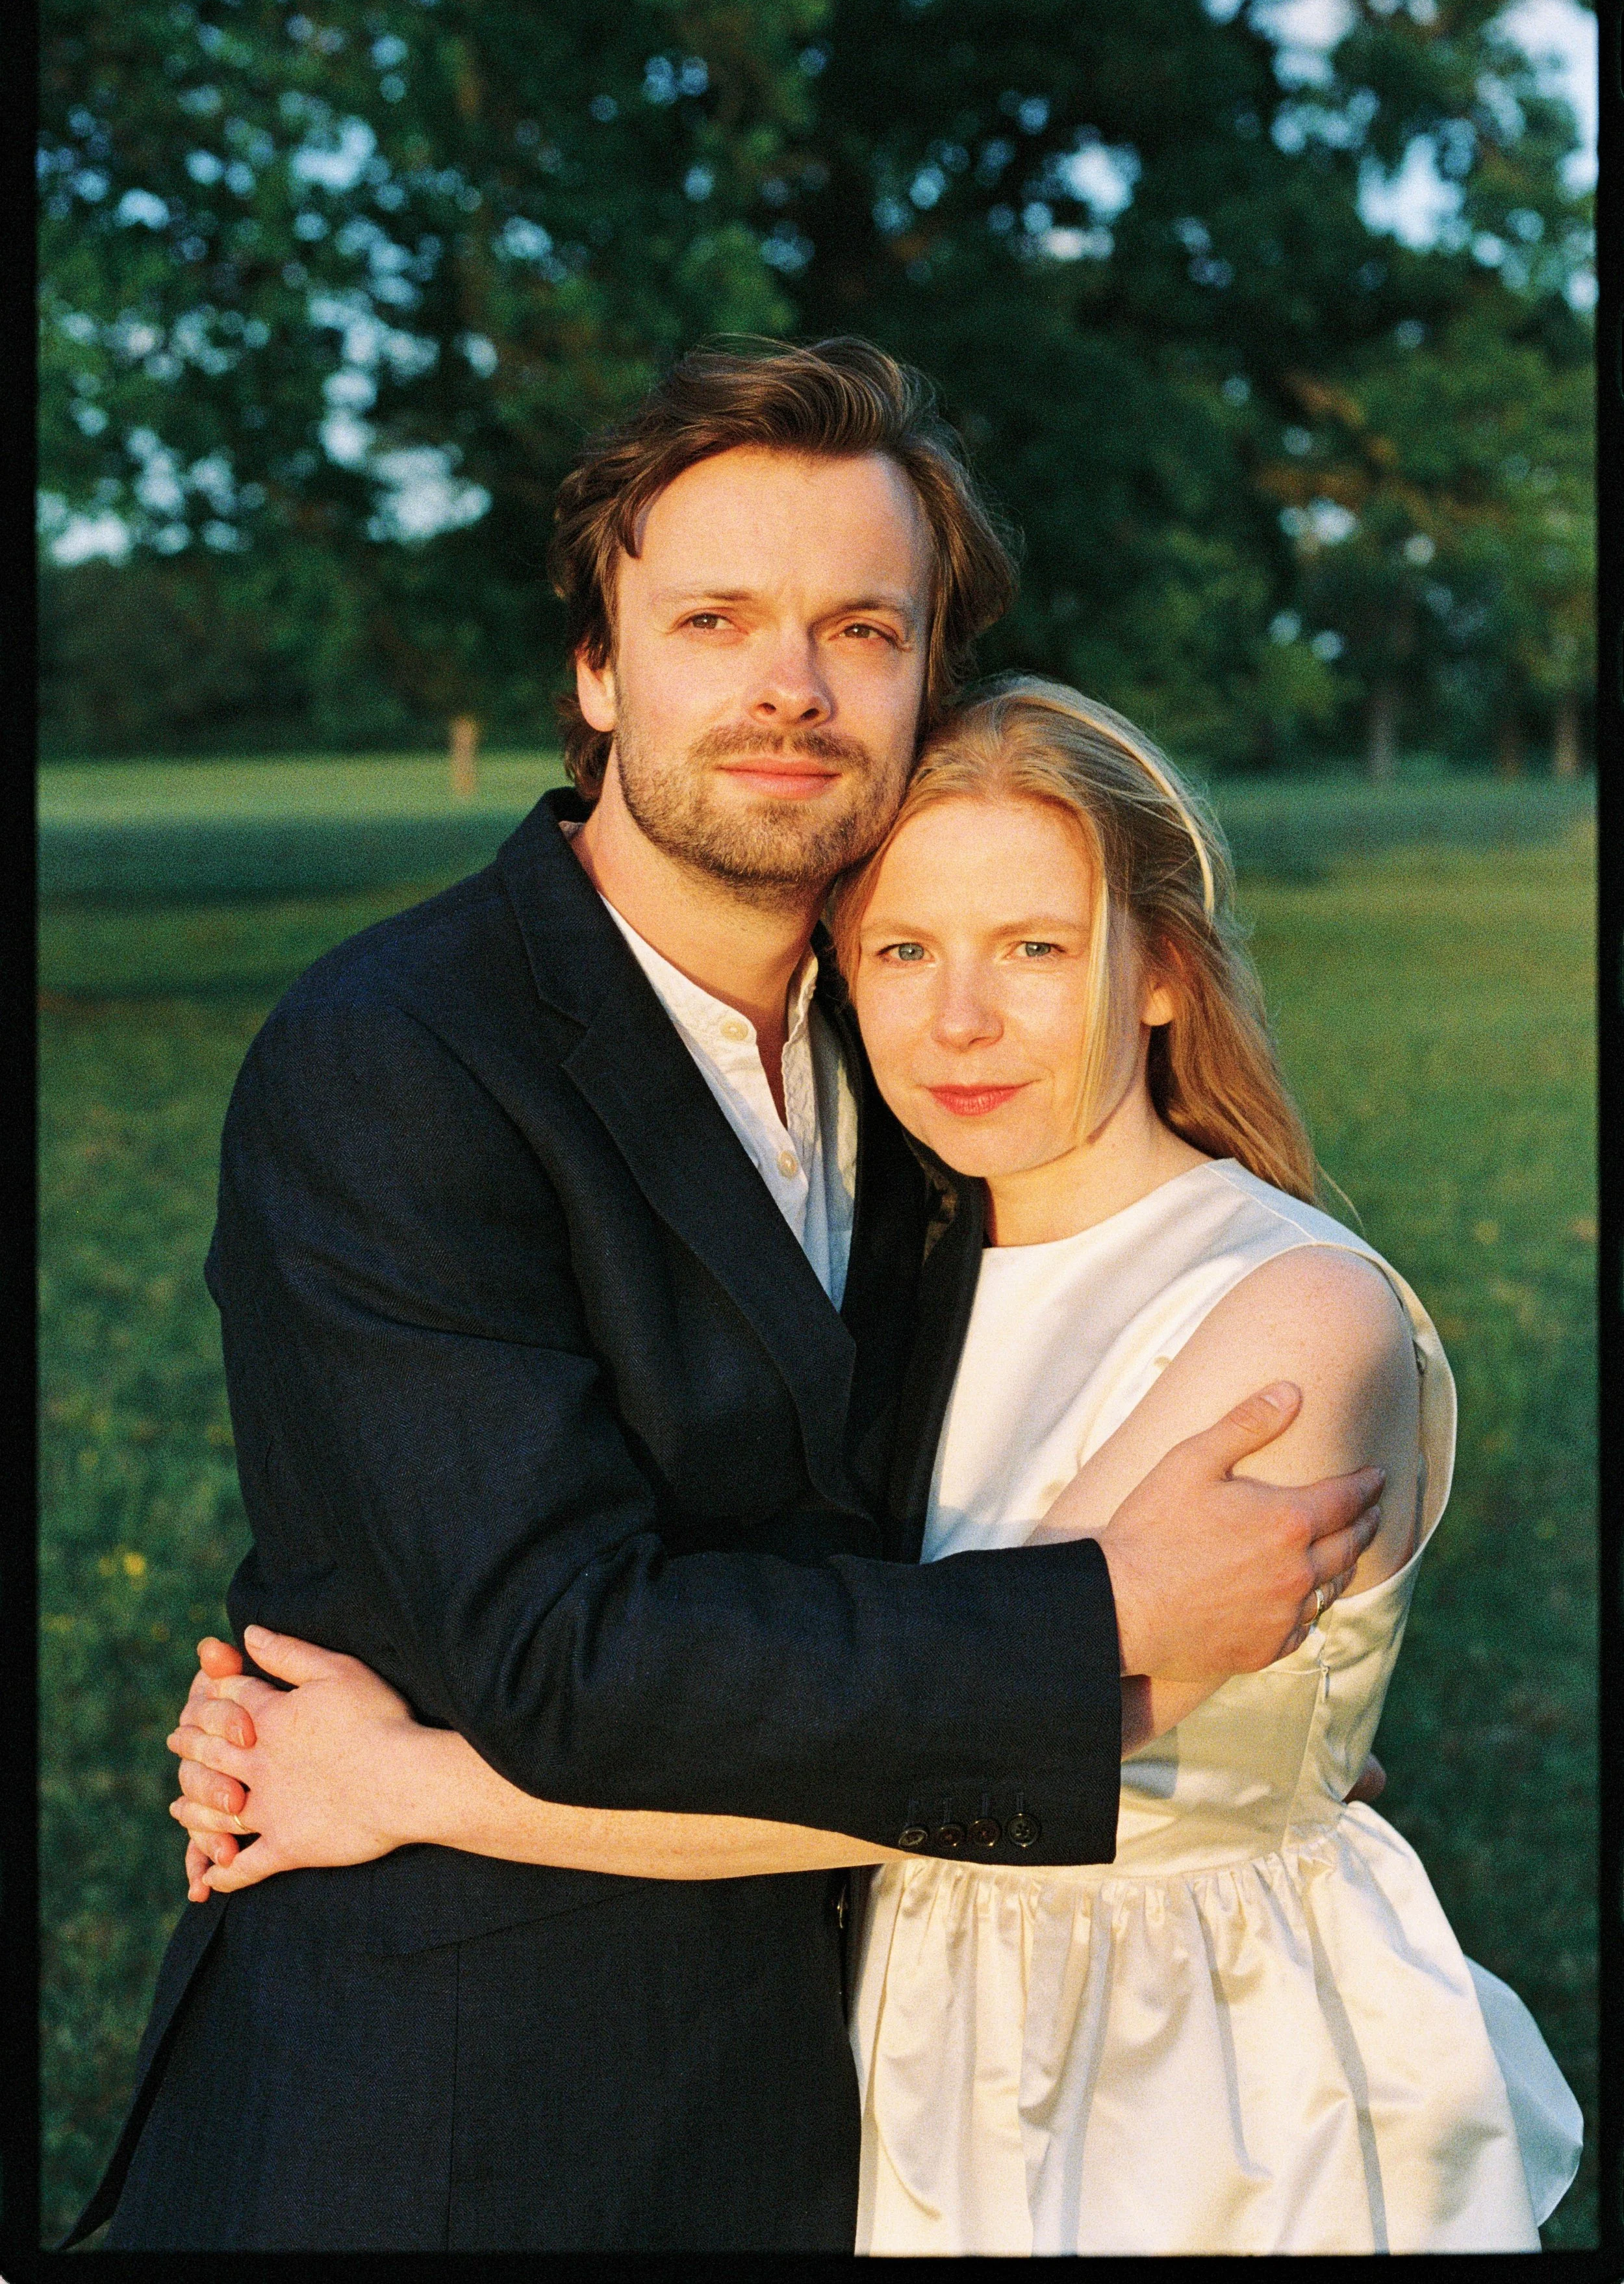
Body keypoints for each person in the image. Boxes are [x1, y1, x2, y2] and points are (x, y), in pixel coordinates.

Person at [67, 342, 1384, 2256]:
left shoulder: (920, 1054)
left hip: (868, 2090)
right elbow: (565, 1654)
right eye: (713, 621)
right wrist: (1102, 1624)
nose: (790, 687)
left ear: (929, 678)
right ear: (597, 674)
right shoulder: (396, 1055)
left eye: (861, 628)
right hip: (473, 2118)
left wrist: (1255, 1744)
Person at [165, 683, 1582, 2255]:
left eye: (1034, 947)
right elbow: (846, 1674)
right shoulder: (910, 1266)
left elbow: (955, 1752)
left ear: (1164, 970)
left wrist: (398, 1780)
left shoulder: (1290, 1312)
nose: (957, 1019)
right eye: (904, 950)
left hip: (1183, 2082)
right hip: (923, 2053)